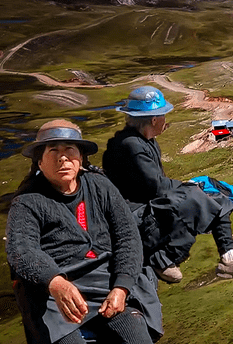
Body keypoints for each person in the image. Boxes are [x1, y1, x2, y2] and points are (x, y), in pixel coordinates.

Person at [6, 120, 163, 344]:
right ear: (40, 162)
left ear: (80, 159)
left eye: (69, 150)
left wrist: (122, 287)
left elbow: (127, 237)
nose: (63, 158)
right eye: (53, 151)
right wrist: (55, 282)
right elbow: (21, 250)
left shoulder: (100, 186)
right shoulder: (27, 201)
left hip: (106, 283)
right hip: (52, 294)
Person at [102, 86, 233, 283]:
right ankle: (163, 259)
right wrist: (186, 187)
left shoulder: (146, 141)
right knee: (196, 197)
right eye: (163, 116)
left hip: (150, 203)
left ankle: (229, 260)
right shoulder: (131, 146)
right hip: (135, 212)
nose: (165, 121)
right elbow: (156, 187)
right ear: (154, 119)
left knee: (217, 199)